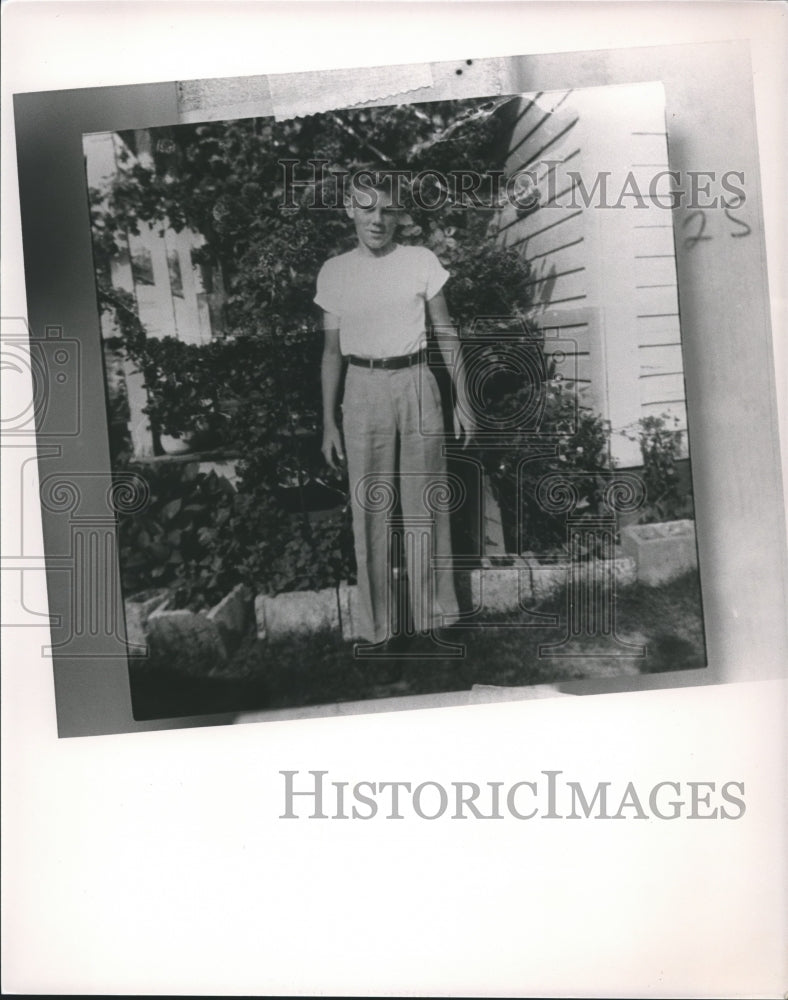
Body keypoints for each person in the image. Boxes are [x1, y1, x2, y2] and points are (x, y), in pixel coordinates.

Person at [315, 174, 474, 651]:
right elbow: (330, 352)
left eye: (386, 210)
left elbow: (446, 331)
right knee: (370, 509)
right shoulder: (335, 271)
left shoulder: (421, 261)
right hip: (362, 389)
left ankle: (435, 618)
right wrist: (328, 421)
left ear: (397, 213)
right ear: (350, 210)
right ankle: (377, 628)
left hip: (418, 383)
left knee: (425, 505)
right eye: (367, 210)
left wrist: (463, 400)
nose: (377, 220)